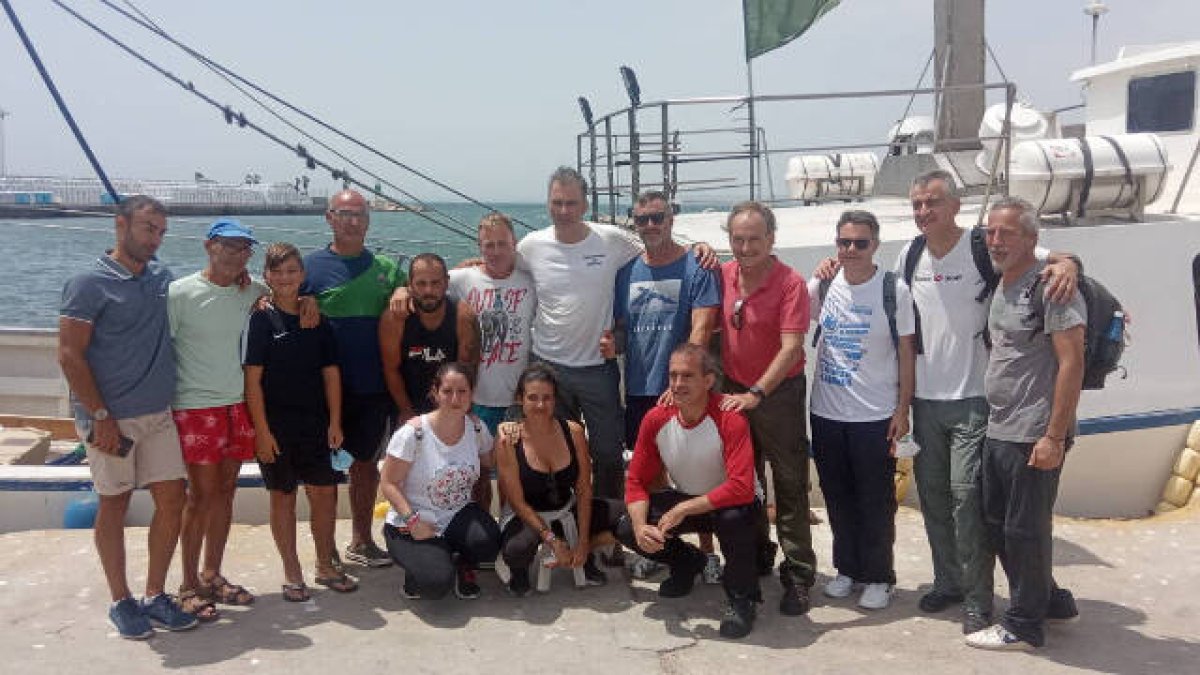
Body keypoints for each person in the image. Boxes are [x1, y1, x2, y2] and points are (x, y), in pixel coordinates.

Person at [813, 169, 1079, 631]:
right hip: (925, 403)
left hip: (975, 399)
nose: (923, 212)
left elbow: (1042, 255)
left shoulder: (983, 246)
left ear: (955, 206)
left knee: (966, 502)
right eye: (916, 204)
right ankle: (947, 582)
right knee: (933, 499)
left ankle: (978, 598)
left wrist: (1070, 263)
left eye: (932, 203)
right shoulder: (909, 254)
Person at [58, 195, 198, 639]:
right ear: (121, 225)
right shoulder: (87, 282)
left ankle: (156, 594)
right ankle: (121, 600)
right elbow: (69, 354)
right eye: (147, 228)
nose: (155, 239)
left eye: (160, 231)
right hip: (109, 419)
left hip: (157, 414)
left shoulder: (160, 278)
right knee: (114, 505)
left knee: (173, 501)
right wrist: (99, 415)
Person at [966, 197, 1085, 651]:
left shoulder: (1052, 287)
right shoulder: (1003, 281)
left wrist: (1054, 436)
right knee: (996, 523)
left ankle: (1024, 624)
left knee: (1025, 529)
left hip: (1034, 433)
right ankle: (1050, 600)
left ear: (1031, 239)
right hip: (1000, 428)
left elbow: (1071, 363)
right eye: (990, 233)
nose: (995, 241)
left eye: (1007, 233)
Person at [807, 211, 916, 611]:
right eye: (844, 243)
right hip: (826, 413)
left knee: (875, 501)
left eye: (860, 243)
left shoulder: (894, 290)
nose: (851, 250)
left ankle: (879, 576)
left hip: (874, 416)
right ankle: (847, 570)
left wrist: (902, 410)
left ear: (875, 245)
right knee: (837, 497)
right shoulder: (821, 285)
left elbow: (906, 352)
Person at [610, 190, 721, 582]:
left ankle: (709, 554)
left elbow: (703, 326)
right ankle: (662, 550)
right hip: (641, 389)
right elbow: (624, 332)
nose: (651, 226)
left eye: (658, 217)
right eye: (643, 220)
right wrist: (613, 344)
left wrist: (682, 383)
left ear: (671, 218)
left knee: (699, 475)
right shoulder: (626, 273)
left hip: (685, 391)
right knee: (652, 476)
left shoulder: (698, 265)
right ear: (634, 223)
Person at [516, 167, 645, 500]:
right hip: (548, 368)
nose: (563, 211)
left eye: (571, 203)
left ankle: (607, 534)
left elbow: (658, 251)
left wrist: (701, 249)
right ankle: (566, 525)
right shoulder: (531, 246)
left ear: (585, 204)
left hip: (597, 369)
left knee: (607, 455)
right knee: (557, 456)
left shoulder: (612, 240)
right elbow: (500, 266)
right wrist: (468, 267)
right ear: (547, 203)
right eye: (556, 202)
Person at [617, 344, 762, 638]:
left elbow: (741, 487)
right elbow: (635, 482)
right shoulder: (656, 418)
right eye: (673, 376)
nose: (678, 384)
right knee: (627, 528)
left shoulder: (730, 418)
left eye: (687, 376)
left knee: (733, 520)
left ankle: (742, 598)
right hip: (689, 498)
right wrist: (640, 525)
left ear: (708, 380)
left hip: (736, 504)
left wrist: (683, 509)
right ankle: (687, 564)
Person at [716, 201, 816, 616]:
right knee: (744, 481)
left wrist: (757, 392)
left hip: (779, 395)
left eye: (754, 239)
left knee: (790, 484)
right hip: (732, 390)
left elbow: (792, 346)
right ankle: (758, 553)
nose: (745, 247)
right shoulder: (722, 275)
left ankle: (798, 573)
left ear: (771, 239)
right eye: (737, 239)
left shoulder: (790, 283)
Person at [243, 243, 356, 600]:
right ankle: (292, 571)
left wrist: (335, 421)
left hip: (317, 423)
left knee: (324, 494)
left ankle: (325, 564)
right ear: (267, 277)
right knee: (283, 497)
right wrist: (262, 432)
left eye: (292, 271)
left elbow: (331, 374)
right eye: (277, 272)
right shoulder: (260, 318)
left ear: (303, 275)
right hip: (276, 427)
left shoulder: (316, 317)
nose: (285, 278)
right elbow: (252, 381)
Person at [169, 218, 268, 615]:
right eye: (229, 246)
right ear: (209, 246)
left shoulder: (253, 290)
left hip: (237, 405)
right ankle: (187, 584)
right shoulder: (179, 293)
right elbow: (160, 348)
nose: (237, 254)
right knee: (200, 497)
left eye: (245, 248)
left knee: (226, 494)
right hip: (195, 407)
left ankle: (212, 574)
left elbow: (290, 291)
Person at [304, 189, 405, 568]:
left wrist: (402, 287)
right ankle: (324, 551)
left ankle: (361, 541)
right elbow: (275, 300)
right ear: (329, 217)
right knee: (322, 473)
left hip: (372, 387)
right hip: (321, 390)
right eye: (344, 213)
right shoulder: (308, 268)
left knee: (364, 466)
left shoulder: (386, 268)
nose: (352, 220)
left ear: (368, 219)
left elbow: (424, 285)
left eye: (359, 214)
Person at [495, 363, 621, 595]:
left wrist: (583, 542)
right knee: (516, 549)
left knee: (626, 517)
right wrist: (553, 541)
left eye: (547, 398)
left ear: (556, 399)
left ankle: (584, 556)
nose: (541, 405)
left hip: (565, 510)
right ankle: (520, 571)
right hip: (526, 517)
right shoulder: (508, 439)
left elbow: (583, 490)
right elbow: (517, 502)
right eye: (533, 398)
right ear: (520, 399)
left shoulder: (573, 431)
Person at [379, 362, 501, 600]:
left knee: (489, 545)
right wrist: (413, 523)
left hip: (457, 514)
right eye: (447, 391)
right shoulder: (412, 433)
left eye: (462, 391)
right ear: (435, 393)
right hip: (413, 521)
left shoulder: (477, 428)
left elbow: (491, 463)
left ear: (472, 394)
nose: (455, 398)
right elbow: (388, 483)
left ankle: (459, 561)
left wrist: (510, 433)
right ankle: (420, 570)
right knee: (435, 585)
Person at [448, 212, 537, 434]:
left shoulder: (531, 281)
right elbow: (422, 285)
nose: (496, 251)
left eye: (502, 244)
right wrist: (401, 290)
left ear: (514, 244)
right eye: (489, 245)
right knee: (482, 464)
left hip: (519, 399)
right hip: (477, 399)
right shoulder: (463, 279)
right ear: (479, 246)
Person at [380, 253, 479, 421]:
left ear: (446, 282)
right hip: (407, 405)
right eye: (421, 283)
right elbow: (391, 369)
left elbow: (467, 369)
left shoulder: (463, 316)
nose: (428, 291)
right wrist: (406, 411)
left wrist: (454, 411)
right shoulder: (394, 319)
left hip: (450, 405)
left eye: (435, 283)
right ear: (409, 284)